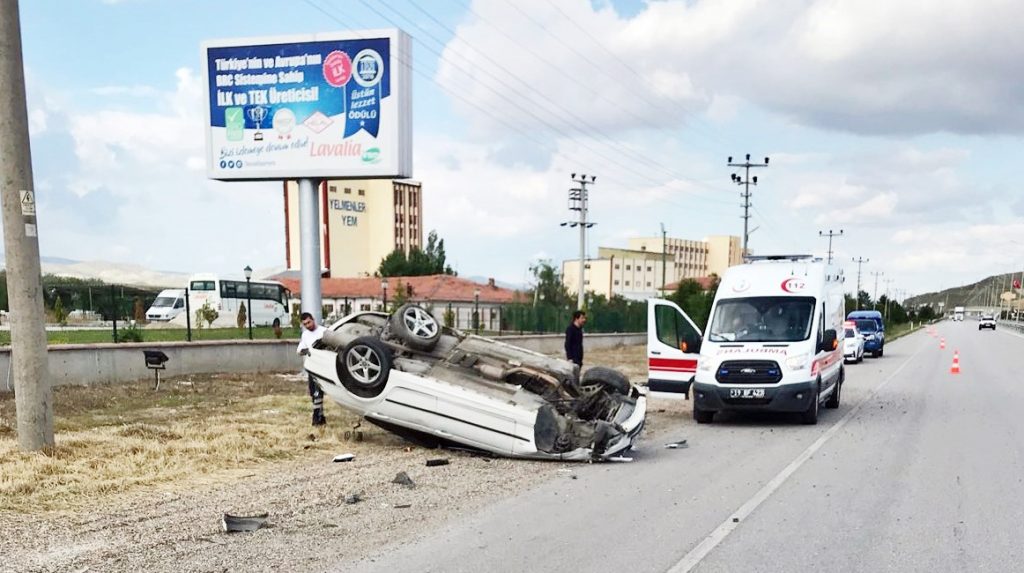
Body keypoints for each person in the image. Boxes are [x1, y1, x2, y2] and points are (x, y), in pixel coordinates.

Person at [297, 312, 328, 426]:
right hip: (311, 367)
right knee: (313, 393)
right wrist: (307, 351)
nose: (308, 325)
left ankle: (316, 418)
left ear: (313, 320)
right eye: (305, 324)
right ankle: (321, 416)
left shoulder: (323, 332)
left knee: (317, 392)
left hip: (322, 367)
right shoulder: (305, 335)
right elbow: (299, 350)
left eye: (309, 322)